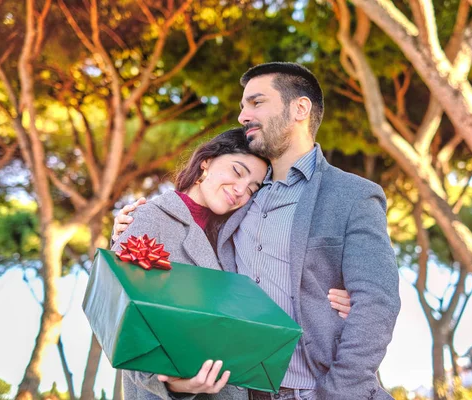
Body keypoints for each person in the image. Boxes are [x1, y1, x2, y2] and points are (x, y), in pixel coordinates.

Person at [114, 62, 400, 399]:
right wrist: (127, 236)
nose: (243, 115)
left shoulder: (352, 195)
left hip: (320, 389)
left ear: (300, 108)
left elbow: (377, 302)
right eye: (242, 105)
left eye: (256, 102)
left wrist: (339, 391)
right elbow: (165, 283)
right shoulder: (235, 204)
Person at [111, 127, 352, 400]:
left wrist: (335, 297)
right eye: (237, 172)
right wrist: (173, 385)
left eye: (253, 188)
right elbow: (127, 322)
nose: (240, 191)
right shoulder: (150, 219)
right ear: (206, 162)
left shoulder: (237, 234)